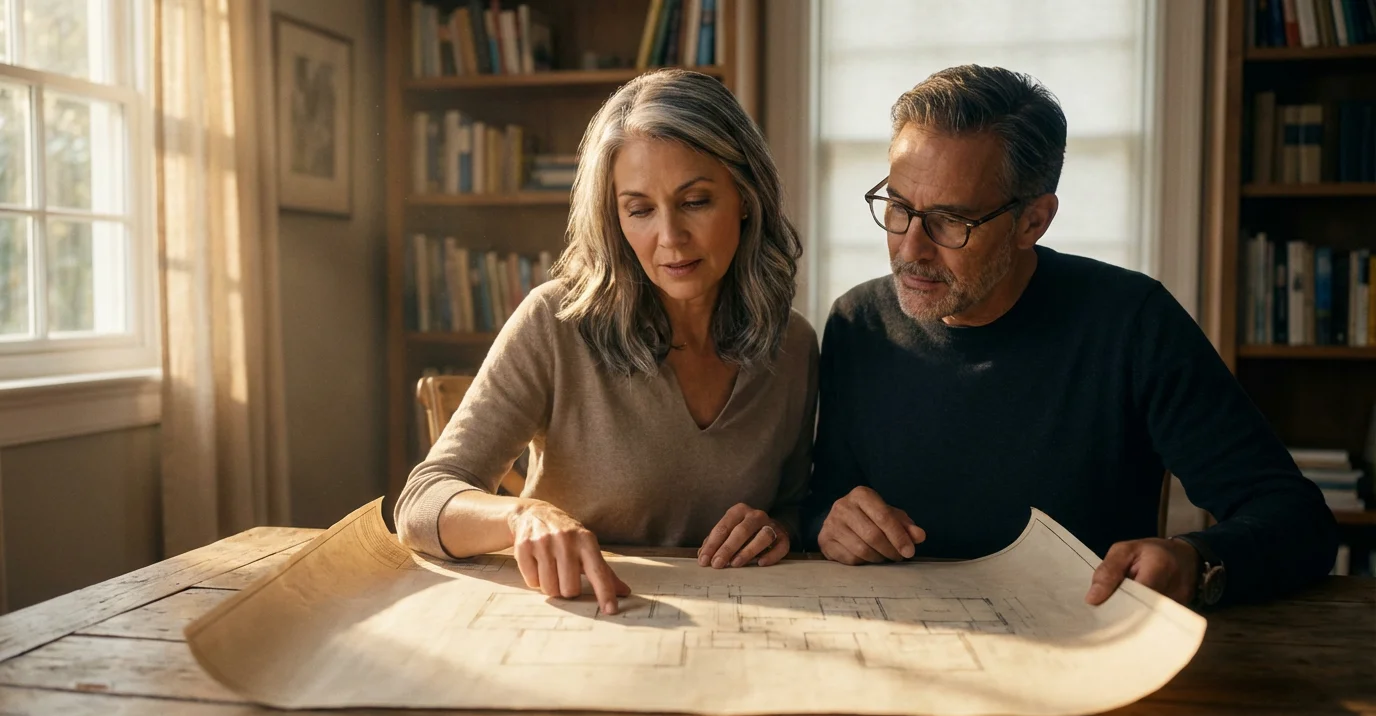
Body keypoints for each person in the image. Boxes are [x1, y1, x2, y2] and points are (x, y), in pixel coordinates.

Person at [803, 64, 1336, 609]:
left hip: (1078, 641)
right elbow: (825, 503)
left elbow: (1297, 521)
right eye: (897, 206)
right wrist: (832, 522)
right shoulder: (858, 321)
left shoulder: (1132, 323)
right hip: (900, 640)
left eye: (949, 220)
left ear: (1033, 221)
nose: (910, 248)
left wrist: (1195, 561)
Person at [396, 70, 818, 616]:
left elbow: (793, 507)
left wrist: (776, 528)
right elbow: (422, 501)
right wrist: (522, 516)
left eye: (695, 201)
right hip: (580, 618)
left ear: (745, 195)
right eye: (639, 209)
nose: (670, 237)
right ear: (615, 219)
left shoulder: (793, 345)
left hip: (745, 623)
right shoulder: (554, 320)